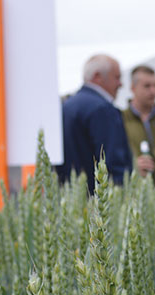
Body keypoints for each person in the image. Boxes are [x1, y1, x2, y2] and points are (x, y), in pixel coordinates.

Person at [59, 54, 132, 192]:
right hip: (98, 197)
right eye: (117, 77)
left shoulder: (66, 106)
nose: (120, 84)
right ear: (97, 77)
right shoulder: (103, 109)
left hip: (71, 196)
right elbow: (113, 162)